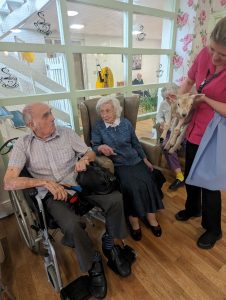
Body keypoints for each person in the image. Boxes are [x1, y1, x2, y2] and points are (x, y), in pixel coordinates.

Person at [3, 102, 133, 299]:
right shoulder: (23, 145)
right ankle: (93, 264)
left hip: (79, 183)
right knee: (72, 226)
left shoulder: (66, 133)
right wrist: (45, 182)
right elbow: (9, 181)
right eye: (46, 115)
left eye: (51, 113)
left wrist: (84, 159)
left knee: (116, 199)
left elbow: (89, 151)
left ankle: (109, 244)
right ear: (32, 124)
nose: (52, 118)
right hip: (54, 195)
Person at [175, 16, 226, 249]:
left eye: (223, 55)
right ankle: (192, 208)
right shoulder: (204, 54)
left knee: (210, 183)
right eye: (213, 49)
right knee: (190, 174)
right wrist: (179, 100)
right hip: (196, 127)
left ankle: (213, 228)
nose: (215, 58)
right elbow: (188, 81)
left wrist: (204, 98)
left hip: (216, 133)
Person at [91, 95, 164, 242]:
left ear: (116, 111)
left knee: (149, 181)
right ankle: (134, 221)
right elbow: (94, 146)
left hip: (135, 160)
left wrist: (145, 160)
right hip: (119, 164)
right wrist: (101, 147)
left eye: (108, 111)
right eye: (102, 111)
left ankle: (151, 217)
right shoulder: (98, 127)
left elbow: (136, 143)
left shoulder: (126, 123)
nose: (104, 115)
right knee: (131, 186)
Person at [156, 85, 185, 191]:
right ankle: (179, 174)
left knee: (170, 146)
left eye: (170, 97)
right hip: (168, 131)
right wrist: (161, 122)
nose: (168, 100)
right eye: (166, 98)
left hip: (180, 131)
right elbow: (158, 115)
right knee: (163, 144)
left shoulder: (182, 103)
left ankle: (179, 177)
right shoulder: (163, 104)